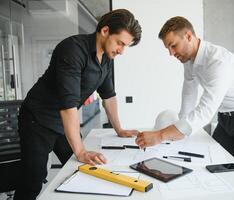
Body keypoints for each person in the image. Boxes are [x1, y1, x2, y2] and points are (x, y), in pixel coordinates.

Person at [14, 9, 142, 200]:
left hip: (62, 122)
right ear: (105, 31)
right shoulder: (73, 49)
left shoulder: (107, 58)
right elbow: (68, 105)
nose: (122, 51)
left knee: (84, 168)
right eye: (120, 43)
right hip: (37, 120)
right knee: (33, 181)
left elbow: (109, 96)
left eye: (126, 46)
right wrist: (80, 150)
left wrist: (120, 129)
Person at [136, 16, 234, 181]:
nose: (171, 53)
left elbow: (205, 111)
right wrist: (181, 126)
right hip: (226, 117)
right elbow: (189, 90)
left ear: (188, 36)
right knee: (214, 164)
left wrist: (160, 135)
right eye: (168, 48)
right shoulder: (188, 60)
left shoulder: (218, 62)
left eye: (173, 45)